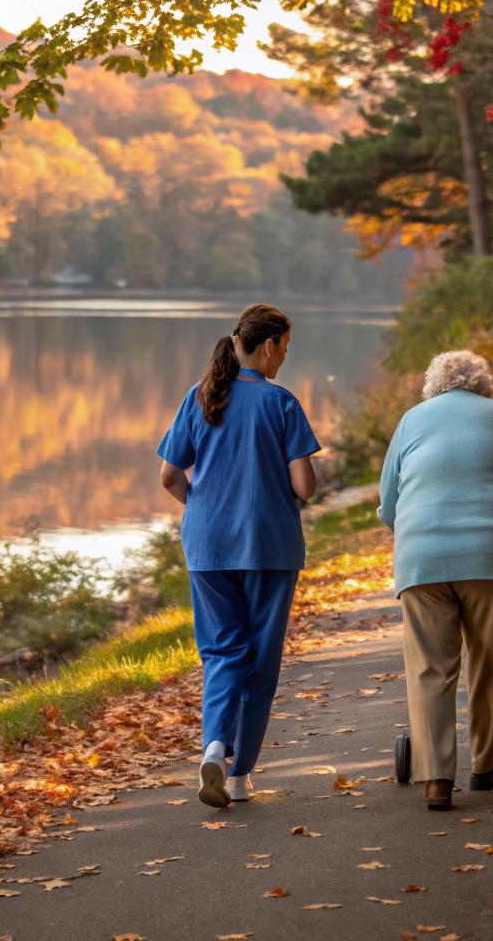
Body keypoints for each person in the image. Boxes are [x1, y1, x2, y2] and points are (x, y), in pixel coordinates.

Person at [157, 303, 320, 808]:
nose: (284, 359)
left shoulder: (200, 396)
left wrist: (205, 510)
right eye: (285, 349)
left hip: (207, 546)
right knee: (260, 662)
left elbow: (169, 476)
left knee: (222, 653)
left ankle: (214, 746)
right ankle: (240, 776)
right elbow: (304, 486)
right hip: (269, 546)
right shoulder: (282, 403)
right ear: (269, 345)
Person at [377, 351, 493, 811]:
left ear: (434, 385)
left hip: (421, 561)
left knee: (431, 668)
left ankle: (436, 780)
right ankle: (485, 765)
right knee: (490, 661)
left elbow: (387, 503)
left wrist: (418, 536)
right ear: (482, 384)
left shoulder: (412, 419)